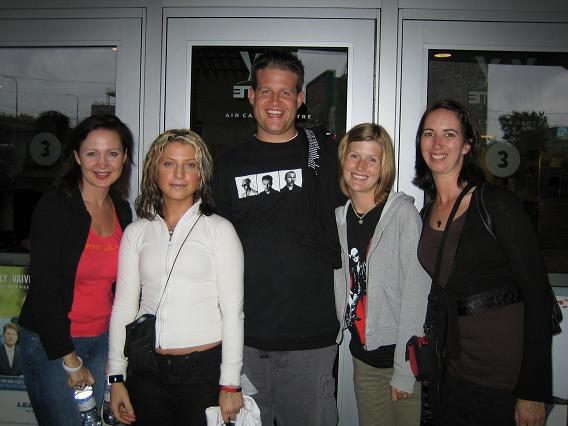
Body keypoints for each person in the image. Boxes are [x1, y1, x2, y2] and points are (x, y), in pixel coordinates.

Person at [213, 48, 341, 426]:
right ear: (251, 96)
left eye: (286, 92)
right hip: (244, 338)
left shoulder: (326, 156)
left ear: (300, 99)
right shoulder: (226, 165)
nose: (275, 101)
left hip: (310, 338)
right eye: (266, 91)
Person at [413, 99, 552, 426]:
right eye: (429, 133)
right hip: (449, 368)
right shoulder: (426, 211)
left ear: (467, 145)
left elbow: (537, 295)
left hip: (497, 375)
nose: (437, 143)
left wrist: (533, 390)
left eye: (450, 134)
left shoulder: (495, 203)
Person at [107, 129, 244, 426]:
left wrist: (230, 383)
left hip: (203, 374)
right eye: (169, 163)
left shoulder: (219, 230)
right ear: (155, 170)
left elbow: (233, 312)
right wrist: (116, 376)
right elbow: (124, 307)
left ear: (201, 174)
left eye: (190, 164)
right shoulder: (137, 232)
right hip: (147, 372)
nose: (179, 174)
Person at [18, 114, 134, 426]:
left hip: (101, 341)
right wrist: (70, 362)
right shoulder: (56, 206)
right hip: (55, 346)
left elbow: (121, 288)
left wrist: (117, 352)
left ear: (124, 157)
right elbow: (43, 290)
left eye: (112, 153)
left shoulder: (121, 209)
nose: (102, 163)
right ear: (76, 157)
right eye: (92, 153)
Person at [334, 123, 430, 426]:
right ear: (344, 160)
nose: (361, 166)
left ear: (383, 166)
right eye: (354, 156)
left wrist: (404, 370)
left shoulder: (403, 216)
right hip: (364, 361)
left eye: (371, 159)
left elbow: (418, 294)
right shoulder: (339, 218)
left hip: (400, 361)